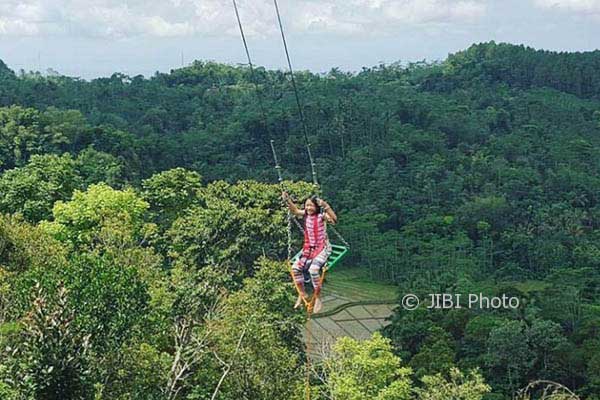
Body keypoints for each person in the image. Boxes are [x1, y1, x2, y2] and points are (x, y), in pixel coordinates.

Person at [282, 191, 337, 313]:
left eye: (311, 206)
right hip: (309, 249)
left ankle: (317, 297)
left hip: (322, 248)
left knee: (313, 270)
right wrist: (288, 200)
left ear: (317, 207)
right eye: (306, 205)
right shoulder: (306, 215)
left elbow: (334, 219)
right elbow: (295, 211)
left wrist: (325, 206)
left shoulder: (321, 216)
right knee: (296, 268)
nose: (308, 208)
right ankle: (302, 294)